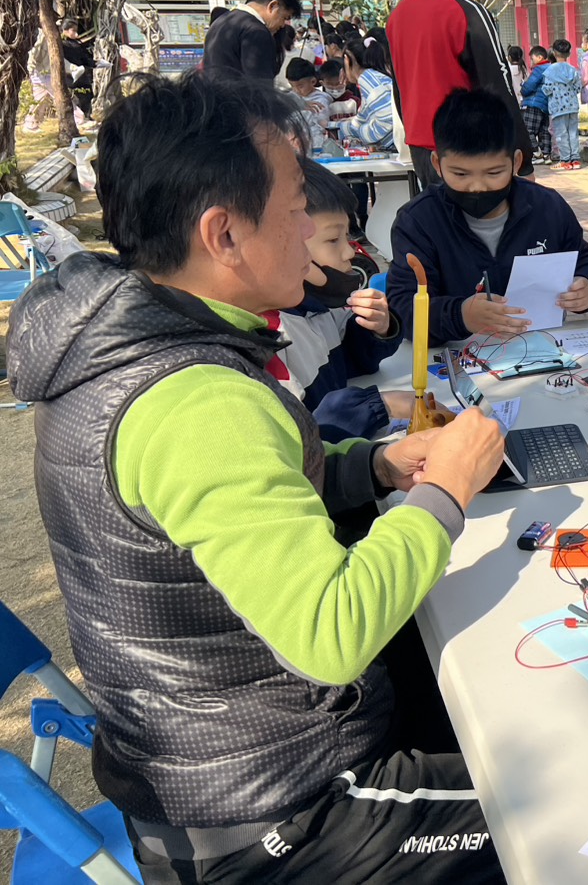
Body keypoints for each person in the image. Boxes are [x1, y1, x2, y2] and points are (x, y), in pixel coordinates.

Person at [7, 72, 509, 883]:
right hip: (274, 814)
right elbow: (330, 637)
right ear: (224, 234)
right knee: (569, 805)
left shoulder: (128, 342)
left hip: (217, 764)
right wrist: (444, 492)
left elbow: (225, 504)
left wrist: (376, 464)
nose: (311, 226)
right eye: (295, 208)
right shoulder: (197, 400)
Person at [387, 87, 588, 346]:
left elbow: (585, 261)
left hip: (542, 349)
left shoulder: (547, 208)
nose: (477, 187)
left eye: (493, 173)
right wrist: (460, 316)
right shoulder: (418, 221)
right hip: (457, 355)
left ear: (515, 162)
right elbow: (402, 310)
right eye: (460, 174)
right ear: (437, 164)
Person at [386, 0, 532, 189]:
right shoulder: (468, 13)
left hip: (421, 147)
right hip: (469, 151)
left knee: (439, 216)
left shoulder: (398, 15)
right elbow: (498, 86)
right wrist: (522, 161)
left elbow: (399, 87)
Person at [270, 157, 411, 442]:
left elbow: (357, 362)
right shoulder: (275, 339)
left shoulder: (324, 307)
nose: (349, 253)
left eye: (347, 237)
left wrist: (377, 328)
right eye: (333, 240)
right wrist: (377, 406)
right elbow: (303, 442)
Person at [202, 0, 302, 80]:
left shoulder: (220, 22)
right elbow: (259, 84)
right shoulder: (257, 32)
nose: (282, 25)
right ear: (272, 6)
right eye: (284, 18)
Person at [331, 37, 394, 151]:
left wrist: (362, 134)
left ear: (347, 60)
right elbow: (361, 119)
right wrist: (334, 126)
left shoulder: (368, 80)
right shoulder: (375, 77)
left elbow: (388, 119)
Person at [542, 38, 585, 171]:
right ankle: (575, 160)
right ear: (569, 53)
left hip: (557, 107)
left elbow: (547, 89)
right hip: (572, 106)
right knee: (573, 133)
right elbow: (578, 87)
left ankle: (565, 160)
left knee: (561, 134)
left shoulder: (550, 71)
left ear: (554, 52)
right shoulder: (573, 70)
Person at [284, 57, 334, 155]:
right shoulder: (290, 98)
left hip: (315, 146)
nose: (296, 90)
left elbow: (321, 126)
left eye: (300, 86)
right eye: (292, 86)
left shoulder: (321, 101)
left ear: (313, 81)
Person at [520, 45, 553, 164]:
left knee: (527, 129)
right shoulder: (551, 68)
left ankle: (536, 153)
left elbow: (529, 86)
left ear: (539, 57)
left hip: (534, 103)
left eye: (532, 58)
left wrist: (523, 89)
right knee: (544, 131)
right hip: (546, 105)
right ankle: (546, 154)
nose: (532, 61)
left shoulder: (539, 69)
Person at [59, 17, 96, 118]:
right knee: (76, 98)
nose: (76, 33)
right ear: (65, 30)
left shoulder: (76, 43)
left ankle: (87, 116)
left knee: (87, 95)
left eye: (76, 30)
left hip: (82, 75)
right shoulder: (61, 44)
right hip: (70, 76)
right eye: (73, 30)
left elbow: (83, 57)